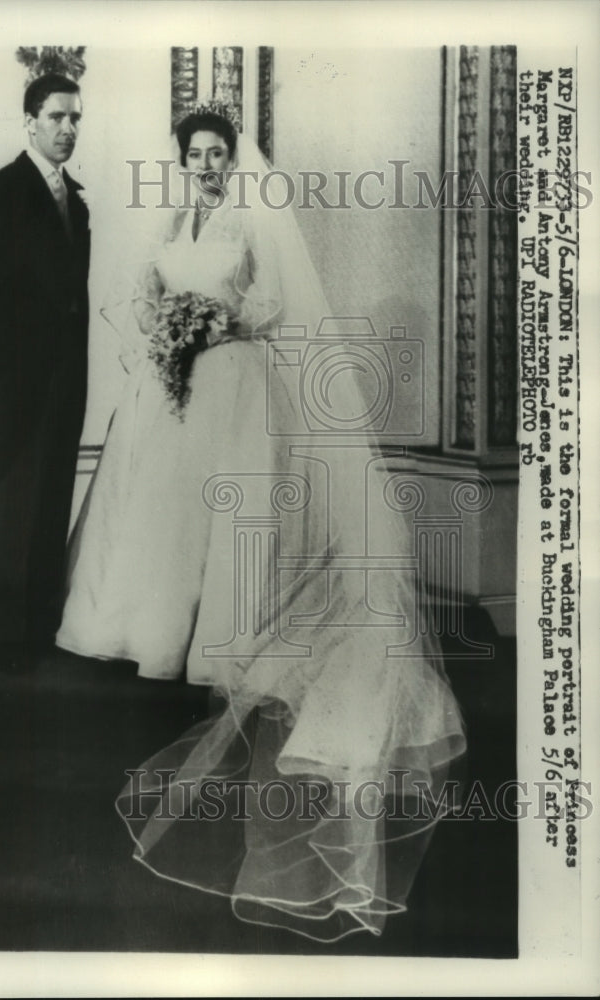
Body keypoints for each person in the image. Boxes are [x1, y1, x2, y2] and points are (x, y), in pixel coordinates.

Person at [56, 105, 466, 941]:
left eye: (215, 155)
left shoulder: (247, 221)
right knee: (157, 517)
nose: (205, 166)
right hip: (172, 388)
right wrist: (164, 325)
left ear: (228, 160)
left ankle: (216, 637)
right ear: (180, 161)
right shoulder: (174, 218)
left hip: (235, 384)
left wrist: (217, 323)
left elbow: (274, 300)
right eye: (194, 155)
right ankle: (150, 635)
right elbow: (145, 291)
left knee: (223, 513)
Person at [0, 72, 91, 672]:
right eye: (57, 117)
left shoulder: (77, 199)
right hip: (18, 378)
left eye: (75, 119)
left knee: (53, 488)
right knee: (16, 495)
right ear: (30, 121)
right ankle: (9, 630)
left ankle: (39, 620)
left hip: (67, 375)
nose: (68, 129)